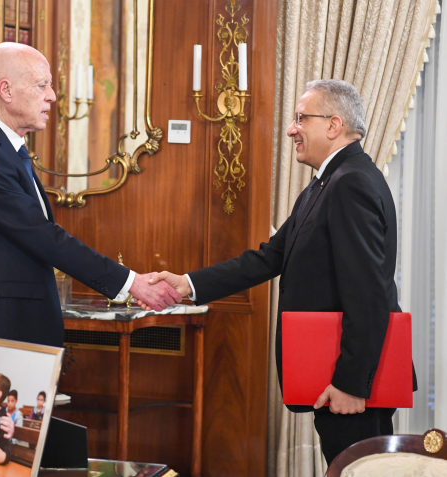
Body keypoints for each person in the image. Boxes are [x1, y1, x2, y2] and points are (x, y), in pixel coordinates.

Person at [145, 79, 416, 465]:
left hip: (353, 382)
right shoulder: (326, 183)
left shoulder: (350, 183)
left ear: (334, 125)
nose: (291, 129)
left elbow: (368, 293)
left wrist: (351, 384)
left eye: (301, 118)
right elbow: (268, 258)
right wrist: (188, 284)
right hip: (337, 372)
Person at [0, 42, 179, 349]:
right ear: (6, 90)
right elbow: (43, 236)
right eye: (41, 85)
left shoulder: (0, 148)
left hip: (8, 325)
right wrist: (130, 283)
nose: (52, 96)